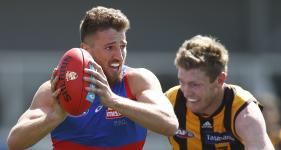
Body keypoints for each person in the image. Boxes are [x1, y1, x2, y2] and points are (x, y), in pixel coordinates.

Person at [7, 6, 178, 150]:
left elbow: (170, 124)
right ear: (86, 50)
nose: (119, 56)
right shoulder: (57, 89)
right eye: (110, 48)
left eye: (123, 46)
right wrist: (54, 117)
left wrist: (113, 101)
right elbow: (14, 142)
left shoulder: (137, 81)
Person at [165, 35, 275, 149]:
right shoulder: (171, 101)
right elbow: (144, 125)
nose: (186, 93)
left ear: (220, 80)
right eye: (182, 82)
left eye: (195, 85)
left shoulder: (243, 111)